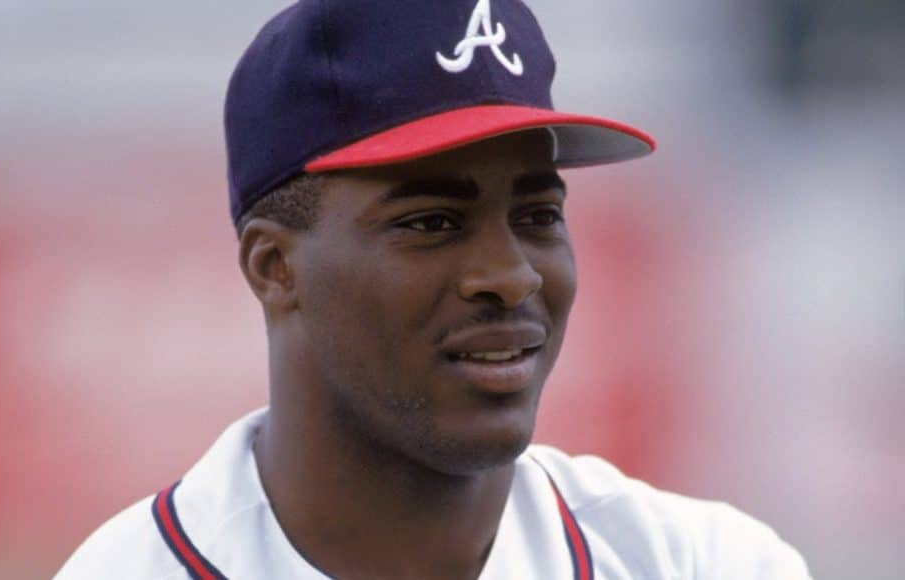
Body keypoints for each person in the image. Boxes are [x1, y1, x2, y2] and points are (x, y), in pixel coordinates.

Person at [57, 1, 811, 578]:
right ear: (274, 267)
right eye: (431, 222)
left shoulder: (705, 565)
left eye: (538, 215)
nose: (511, 276)